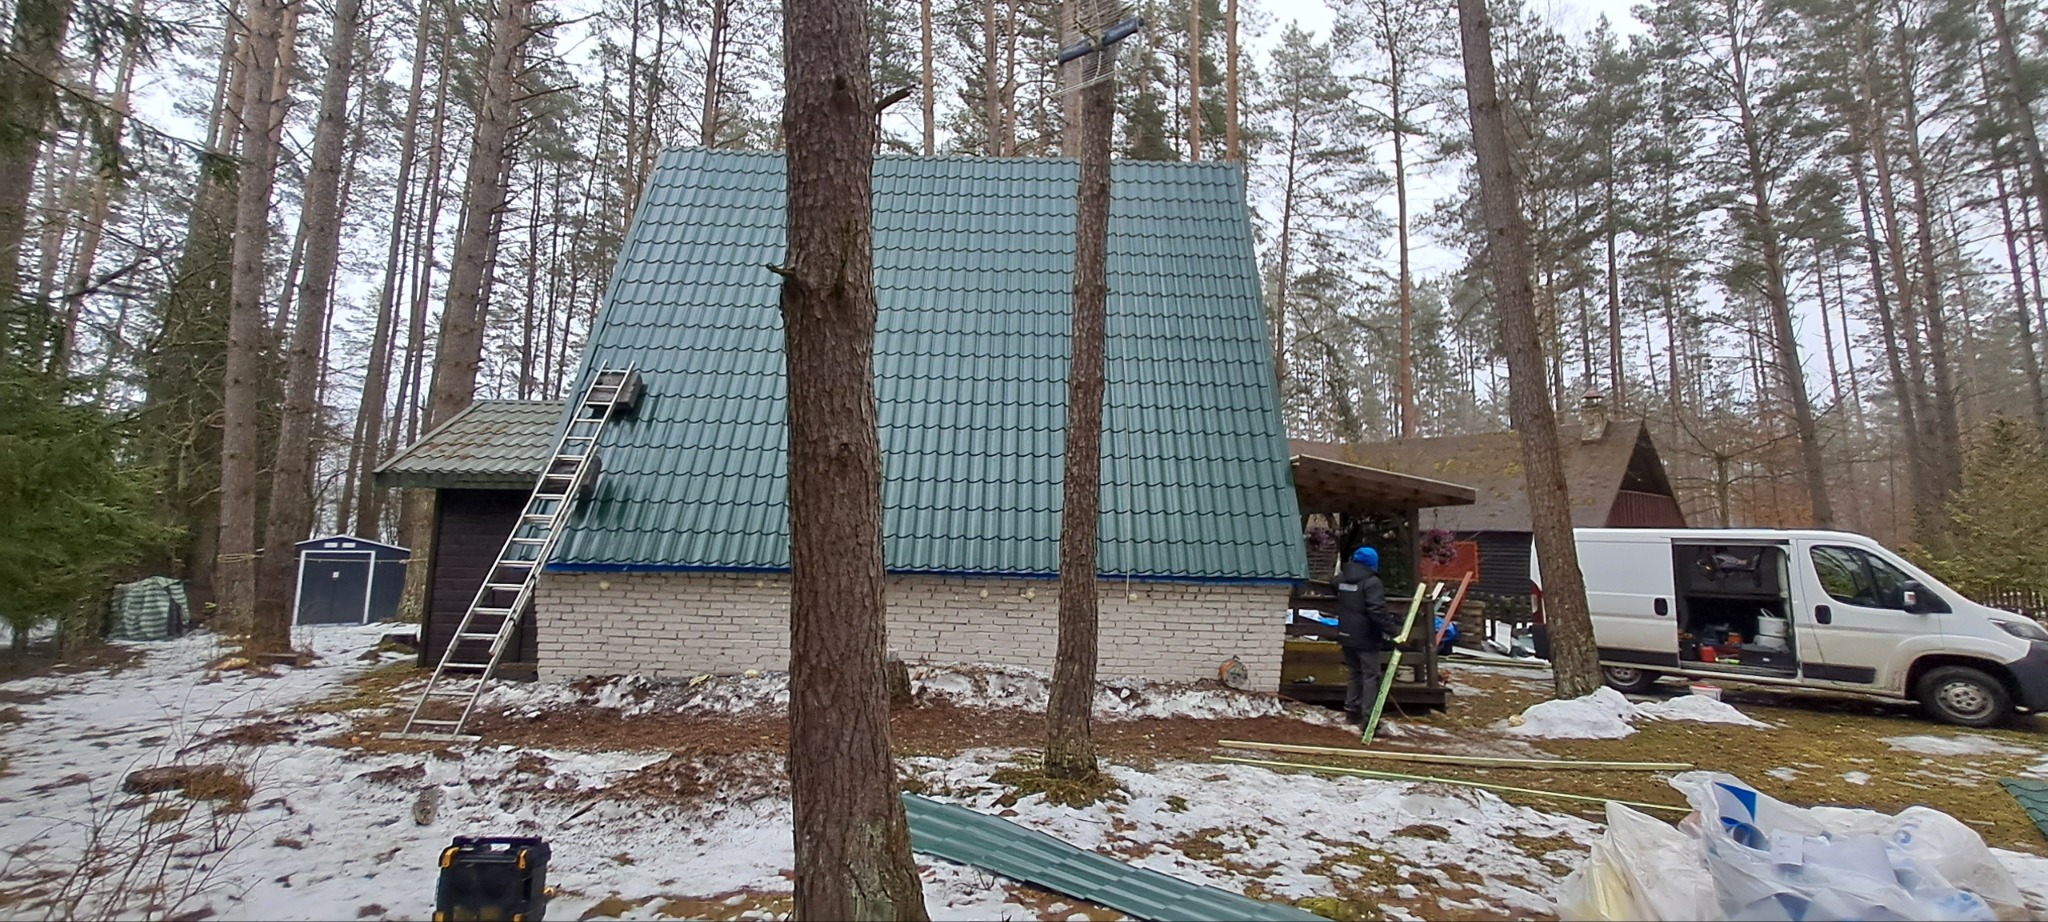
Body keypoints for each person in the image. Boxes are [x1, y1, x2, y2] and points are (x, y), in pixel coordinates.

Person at [1333, 546, 1398, 725]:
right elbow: (1376, 610)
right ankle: (1369, 716)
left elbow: (1334, 586)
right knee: (1371, 675)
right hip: (1366, 636)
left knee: (1354, 673)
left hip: (1346, 633)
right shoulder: (1372, 582)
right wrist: (1394, 632)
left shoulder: (1341, 578)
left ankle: (1351, 711)